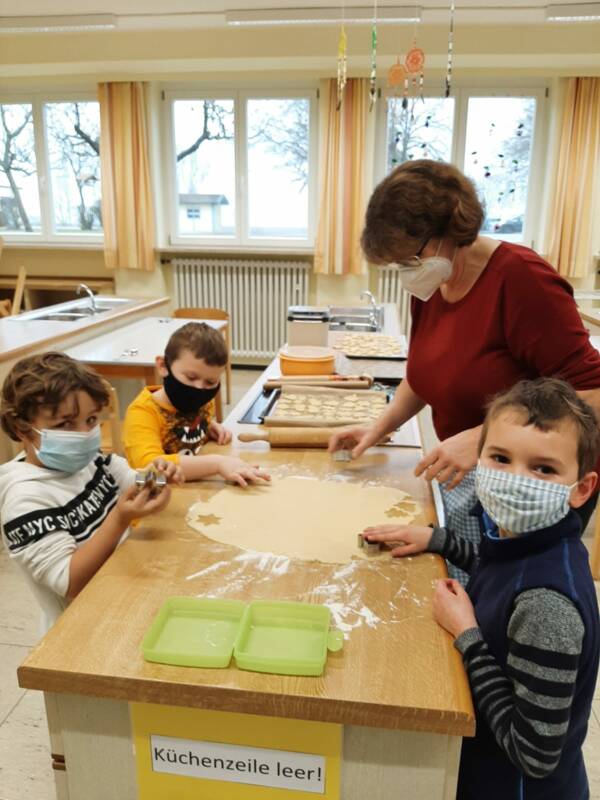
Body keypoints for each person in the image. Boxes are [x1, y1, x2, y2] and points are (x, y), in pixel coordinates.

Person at [329, 159, 600, 573]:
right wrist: (378, 428)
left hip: (528, 487)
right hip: (474, 478)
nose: (407, 271)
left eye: (411, 257)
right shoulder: (434, 282)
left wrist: (482, 440)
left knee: (505, 605)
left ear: (450, 232)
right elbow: (425, 376)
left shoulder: (522, 280)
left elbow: (591, 393)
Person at [362, 378, 600, 800]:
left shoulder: (546, 606)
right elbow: (501, 568)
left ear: (581, 489)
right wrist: (437, 540)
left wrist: (468, 636)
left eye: (543, 468)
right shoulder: (537, 539)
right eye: (500, 458)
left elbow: (533, 754)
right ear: (479, 461)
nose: (515, 479)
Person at [0, 352, 183, 634]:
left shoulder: (91, 460)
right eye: (65, 424)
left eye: (91, 420)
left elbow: (135, 485)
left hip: (122, 593)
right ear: (21, 428)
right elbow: (71, 581)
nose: (84, 434)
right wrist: (120, 518)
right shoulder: (24, 499)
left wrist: (158, 478)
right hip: (81, 628)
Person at [123, 321, 270, 487]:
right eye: (191, 378)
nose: (200, 388)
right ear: (163, 366)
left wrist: (208, 426)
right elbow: (148, 467)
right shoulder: (143, 412)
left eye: (210, 382)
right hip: (154, 497)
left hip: (191, 489)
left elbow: (187, 424)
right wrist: (217, 463)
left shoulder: (201, 402)